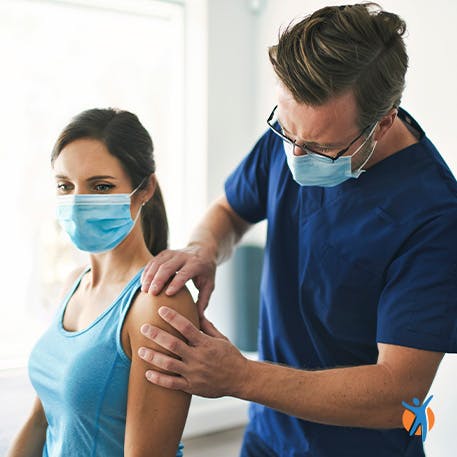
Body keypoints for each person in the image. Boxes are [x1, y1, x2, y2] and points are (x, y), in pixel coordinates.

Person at [137, 3, 457, 457]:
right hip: (267, 439)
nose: (296, 155)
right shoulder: (296, 131)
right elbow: (230, 209)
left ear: (382, 122)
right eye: (287, 132)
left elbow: (398, 395)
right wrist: (203, 248)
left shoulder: (434, 216)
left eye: (322, 149)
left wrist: (239, 376)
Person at [7, 109, 198, 456]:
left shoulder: (158, 303)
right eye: (65, 186)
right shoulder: (73, 286)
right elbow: (41, 421)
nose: (78, 202)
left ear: (145, 190)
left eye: (101, 186)